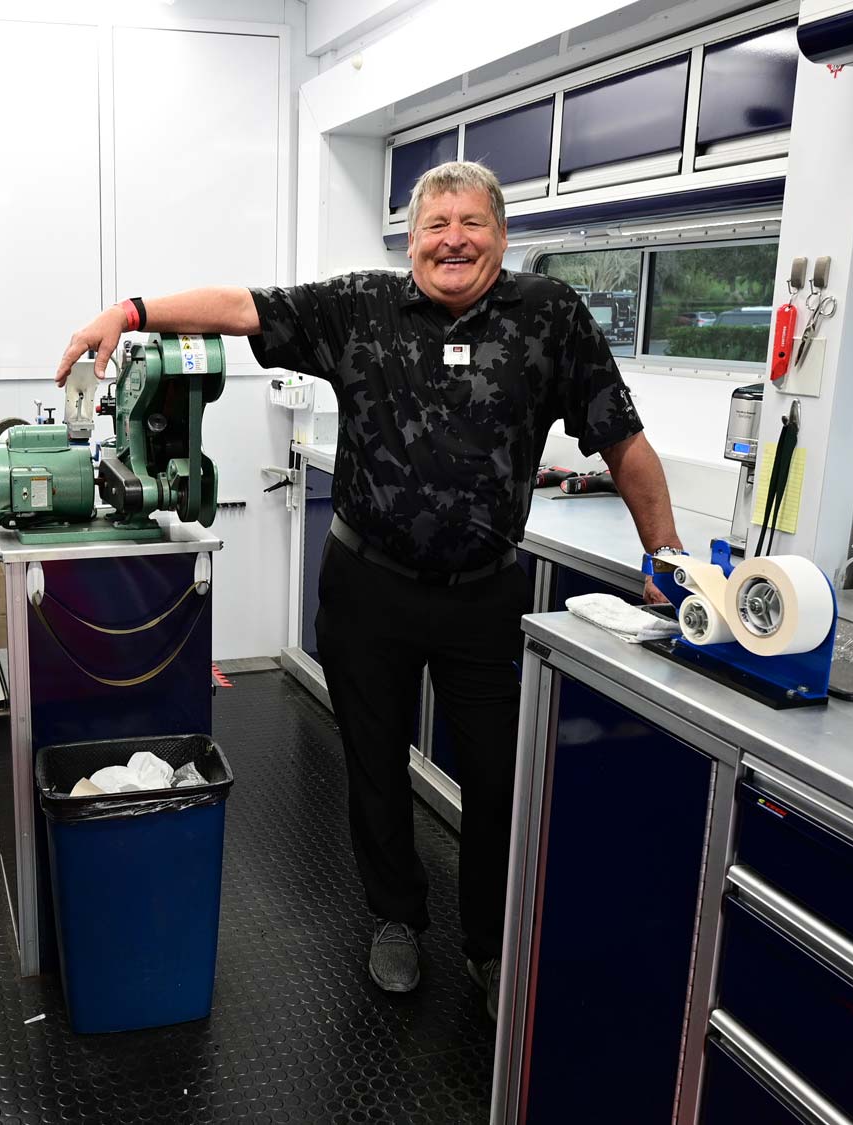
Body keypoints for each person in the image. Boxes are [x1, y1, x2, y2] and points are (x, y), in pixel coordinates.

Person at [55, 161, 682, 1020]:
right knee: (376, 769)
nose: (453, 238)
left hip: (484, 594)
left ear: (501, 235)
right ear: (413, 238)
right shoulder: (360, 307)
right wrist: (128, 313)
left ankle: (490, 946)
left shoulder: (550, 317)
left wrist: (667, 557)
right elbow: (243, 306)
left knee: (497, 779)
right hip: (369, 591)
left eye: (472, 222)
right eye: (435, 224)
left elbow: (623, 440)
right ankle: (395, 917)